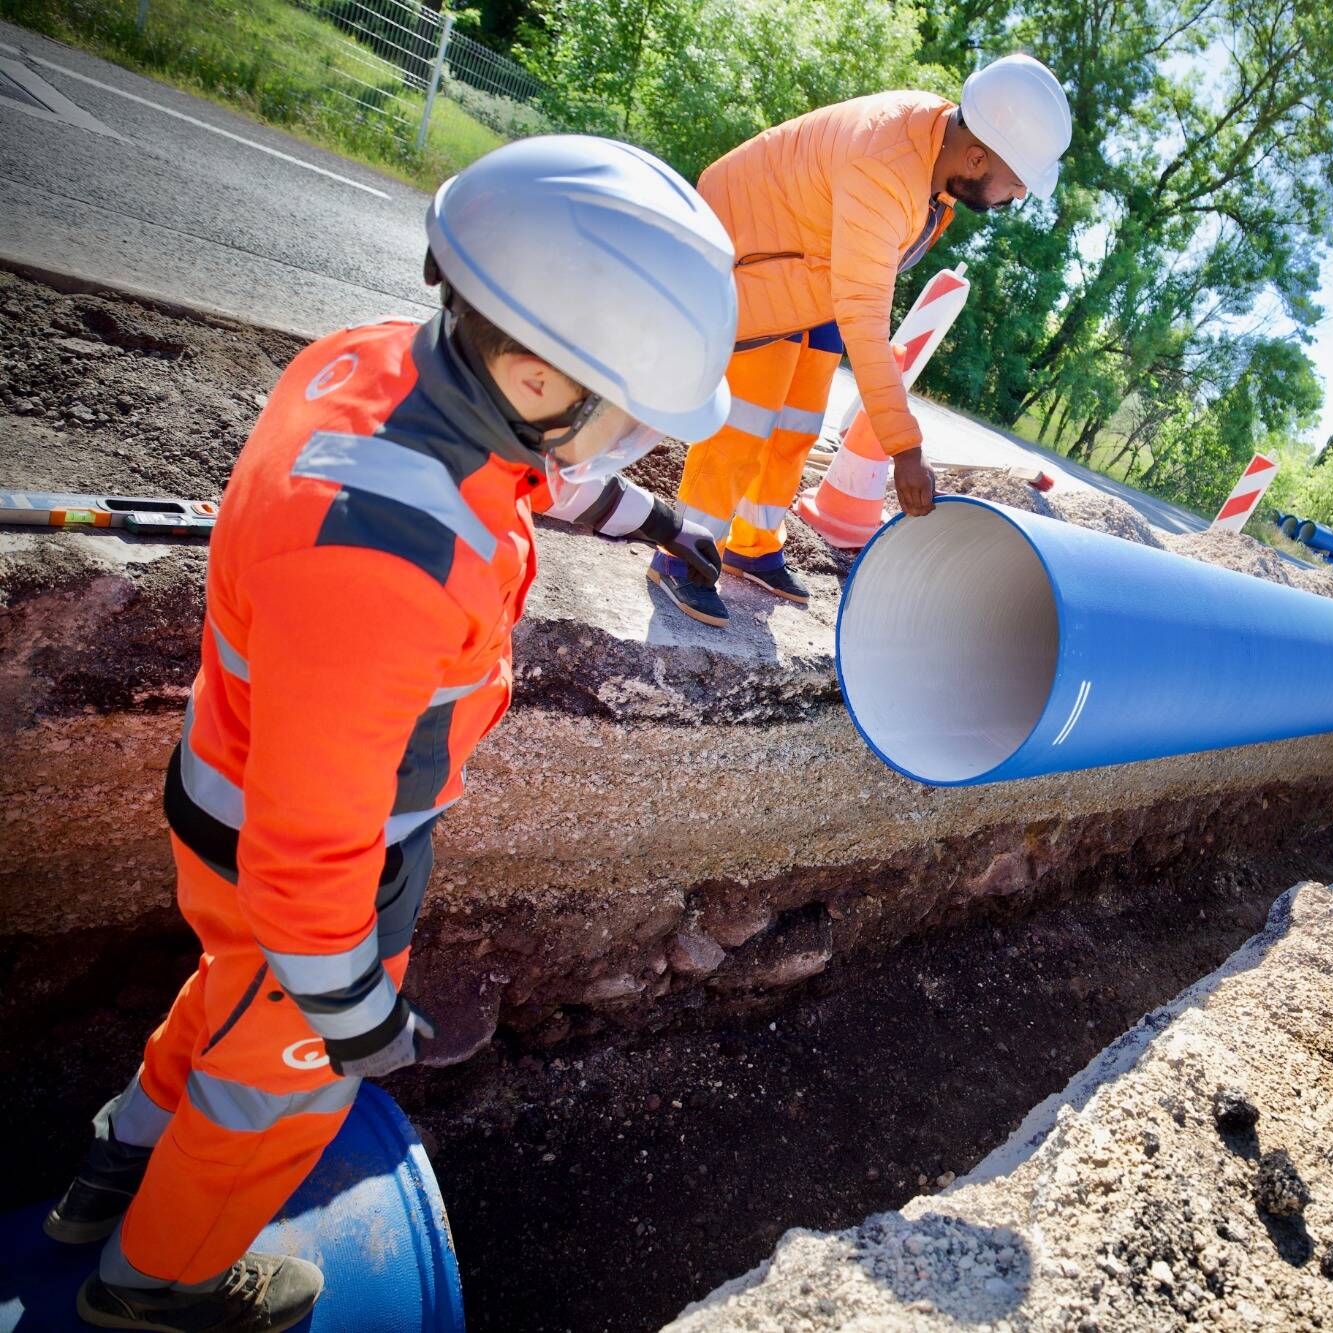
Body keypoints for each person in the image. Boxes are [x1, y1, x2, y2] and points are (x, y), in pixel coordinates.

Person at [43, 135, 739, 1332]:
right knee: (278, 1092)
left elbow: (535, 468)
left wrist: (652, 514)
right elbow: (309, 853)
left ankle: (113, 1169)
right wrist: (352, 1008)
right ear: (534, 376)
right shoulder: (386, 563)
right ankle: (158, 1281)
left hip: (223, 794)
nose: (632, 442)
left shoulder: (380, 360)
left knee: (224, 997)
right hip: (308, 877)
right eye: (631, 421)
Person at [652, 53, 1073, 626]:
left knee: (795, 428)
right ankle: (685, 556)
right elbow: (866, 321)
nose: (1017, 197)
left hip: (815, 267)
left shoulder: (935, 148)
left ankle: (753, 544)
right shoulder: (887, 165)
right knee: (745, 423)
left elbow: (862, 280)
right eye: (1017, 182)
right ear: (977, 157)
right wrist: (906, 449)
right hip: (758, 254)